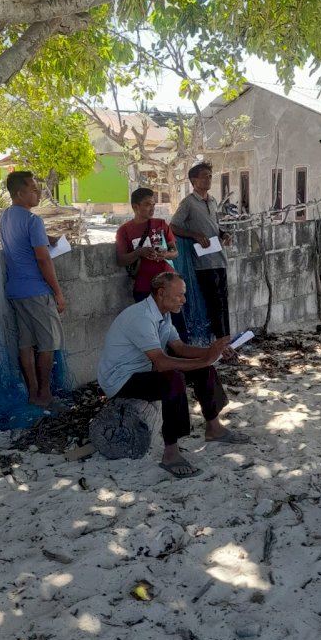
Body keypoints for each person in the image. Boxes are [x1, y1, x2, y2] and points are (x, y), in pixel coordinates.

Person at [97, 272, 249, 479]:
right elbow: (161, 362)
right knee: (173, 379)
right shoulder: (140, 317)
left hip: (143, 371)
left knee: (204, 369)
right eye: (179, 295)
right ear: (161, 293)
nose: (184, 300)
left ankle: (214, 428)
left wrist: (212, 351)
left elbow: (179, 347)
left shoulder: (163, 314)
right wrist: (206, 357)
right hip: (120, 380)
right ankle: (171, 453)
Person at [0, 170, 64, 408]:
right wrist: (57, 291)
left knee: (26, 344)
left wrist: (48, 238)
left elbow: (24, 239)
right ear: (20, 193)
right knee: (48, 343)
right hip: (36, 289)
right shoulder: (33, 220)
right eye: (33, 188)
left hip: (15, 289)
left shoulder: (6, 216)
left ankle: (33, 393)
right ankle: (45, 393)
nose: (37, 192)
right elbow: (43, 259)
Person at [115, 187, 188, 342]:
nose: (152, 208)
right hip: (144, 285)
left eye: (153, 204)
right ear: (135, 206)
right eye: (147, 204)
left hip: (168, 283)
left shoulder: (161, 224)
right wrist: (139, 252)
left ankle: (183, 361)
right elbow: (121, 259)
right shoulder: (124, 230)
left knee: (177, 327)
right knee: (150, 329)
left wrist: (165, 254)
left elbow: (175, 252)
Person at [170, 162, 231, 339]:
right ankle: (220, 343)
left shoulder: (212, 201)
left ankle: (226, 340)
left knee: (223, 301)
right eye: (204, 176)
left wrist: (224, 233)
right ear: (194, 180)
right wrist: (194, 235)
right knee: (214, 303)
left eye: (210, 175)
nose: (208, 179)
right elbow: (173, 226)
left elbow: (215, 226)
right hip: (202, 262)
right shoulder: (188, 203)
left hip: (219, 257)